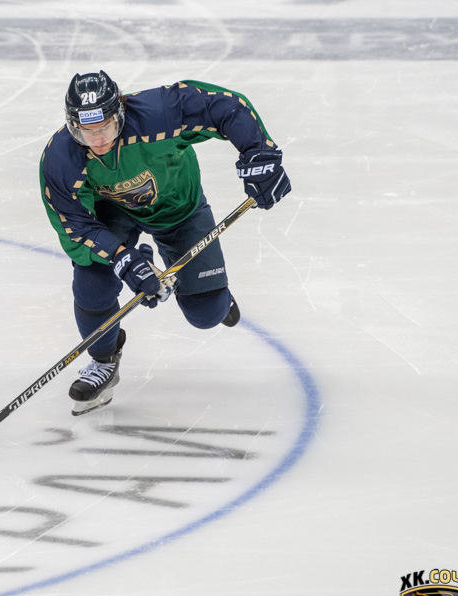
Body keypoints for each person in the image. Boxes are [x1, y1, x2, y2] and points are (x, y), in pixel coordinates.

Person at [39, 70, 291, 416]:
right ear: (72, 126)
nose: (97, 140)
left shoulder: (160, 112)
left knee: (206, 314)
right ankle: (103, 361)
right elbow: (75, 225)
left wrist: (260, 155)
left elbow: (226, 107)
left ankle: (213, 297)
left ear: (120, 114)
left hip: (179, 209)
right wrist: (122, 257)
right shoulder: (60, 157)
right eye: (85, 131)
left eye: (105, 128)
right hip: (111, 216)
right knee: (91, 285)